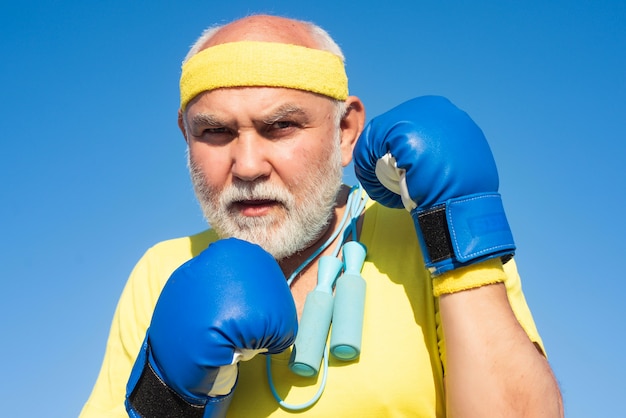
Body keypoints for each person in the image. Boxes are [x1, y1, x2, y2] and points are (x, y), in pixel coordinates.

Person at [80, 14, 564, 417]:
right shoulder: (163, 270)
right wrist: (166, 402)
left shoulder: (433, 230)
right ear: (186, 137)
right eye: (215, 132)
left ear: (346, 131)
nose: (247, 166)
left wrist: (460, 234)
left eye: (281, 126)